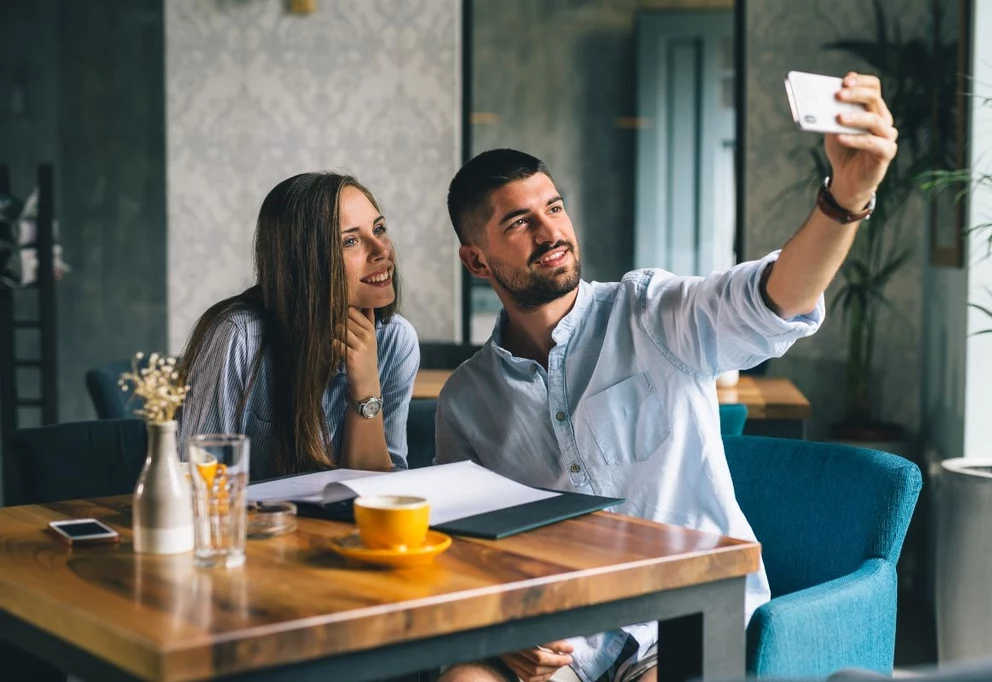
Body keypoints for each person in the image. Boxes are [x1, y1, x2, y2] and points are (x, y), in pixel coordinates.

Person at [436, 72, 898, 682]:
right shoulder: (466, 401)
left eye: (553, 208)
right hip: (561, 638)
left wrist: (845, 199)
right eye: (518, 223)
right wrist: (501, 631)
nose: (551, 233)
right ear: (476, 259)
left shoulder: (652, 313)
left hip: (686, 618)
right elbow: (463, 556)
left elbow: (773, 298)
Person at [177, 171, 419, 481]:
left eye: (379, 229)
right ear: (304, 260)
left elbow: (383, 492)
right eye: (350, 241)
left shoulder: (397, 341)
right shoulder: (240, 337)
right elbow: (198, 479)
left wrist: (366, 388)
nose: (381, 250)